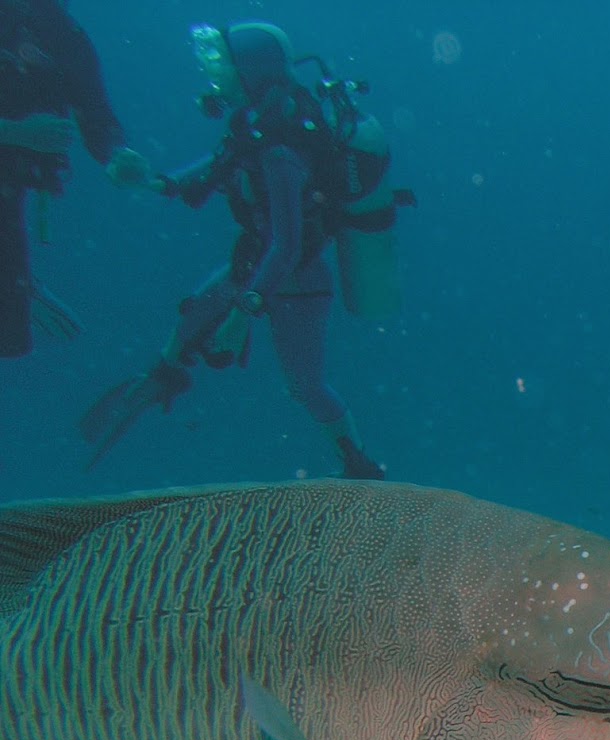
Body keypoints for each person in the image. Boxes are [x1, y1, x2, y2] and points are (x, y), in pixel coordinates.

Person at [79, 21, 386, 480]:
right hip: (255, 267)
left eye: (225, 69)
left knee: (305, 388)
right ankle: (160, 378)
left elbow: (287, 245)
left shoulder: (280, 148)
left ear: (252, 72)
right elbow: (212, 169)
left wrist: (243, 314)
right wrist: (150, 180)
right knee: (191, 318)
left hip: (296, 281)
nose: (217, 80)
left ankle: (358, 465)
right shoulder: (256, 128)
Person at [0, 0, 153, 358]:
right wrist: (14, 133)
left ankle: (21, 286)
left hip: (10, 199)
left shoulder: (61, 33)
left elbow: (95, 110)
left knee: (9, 336)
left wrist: (117, 155)